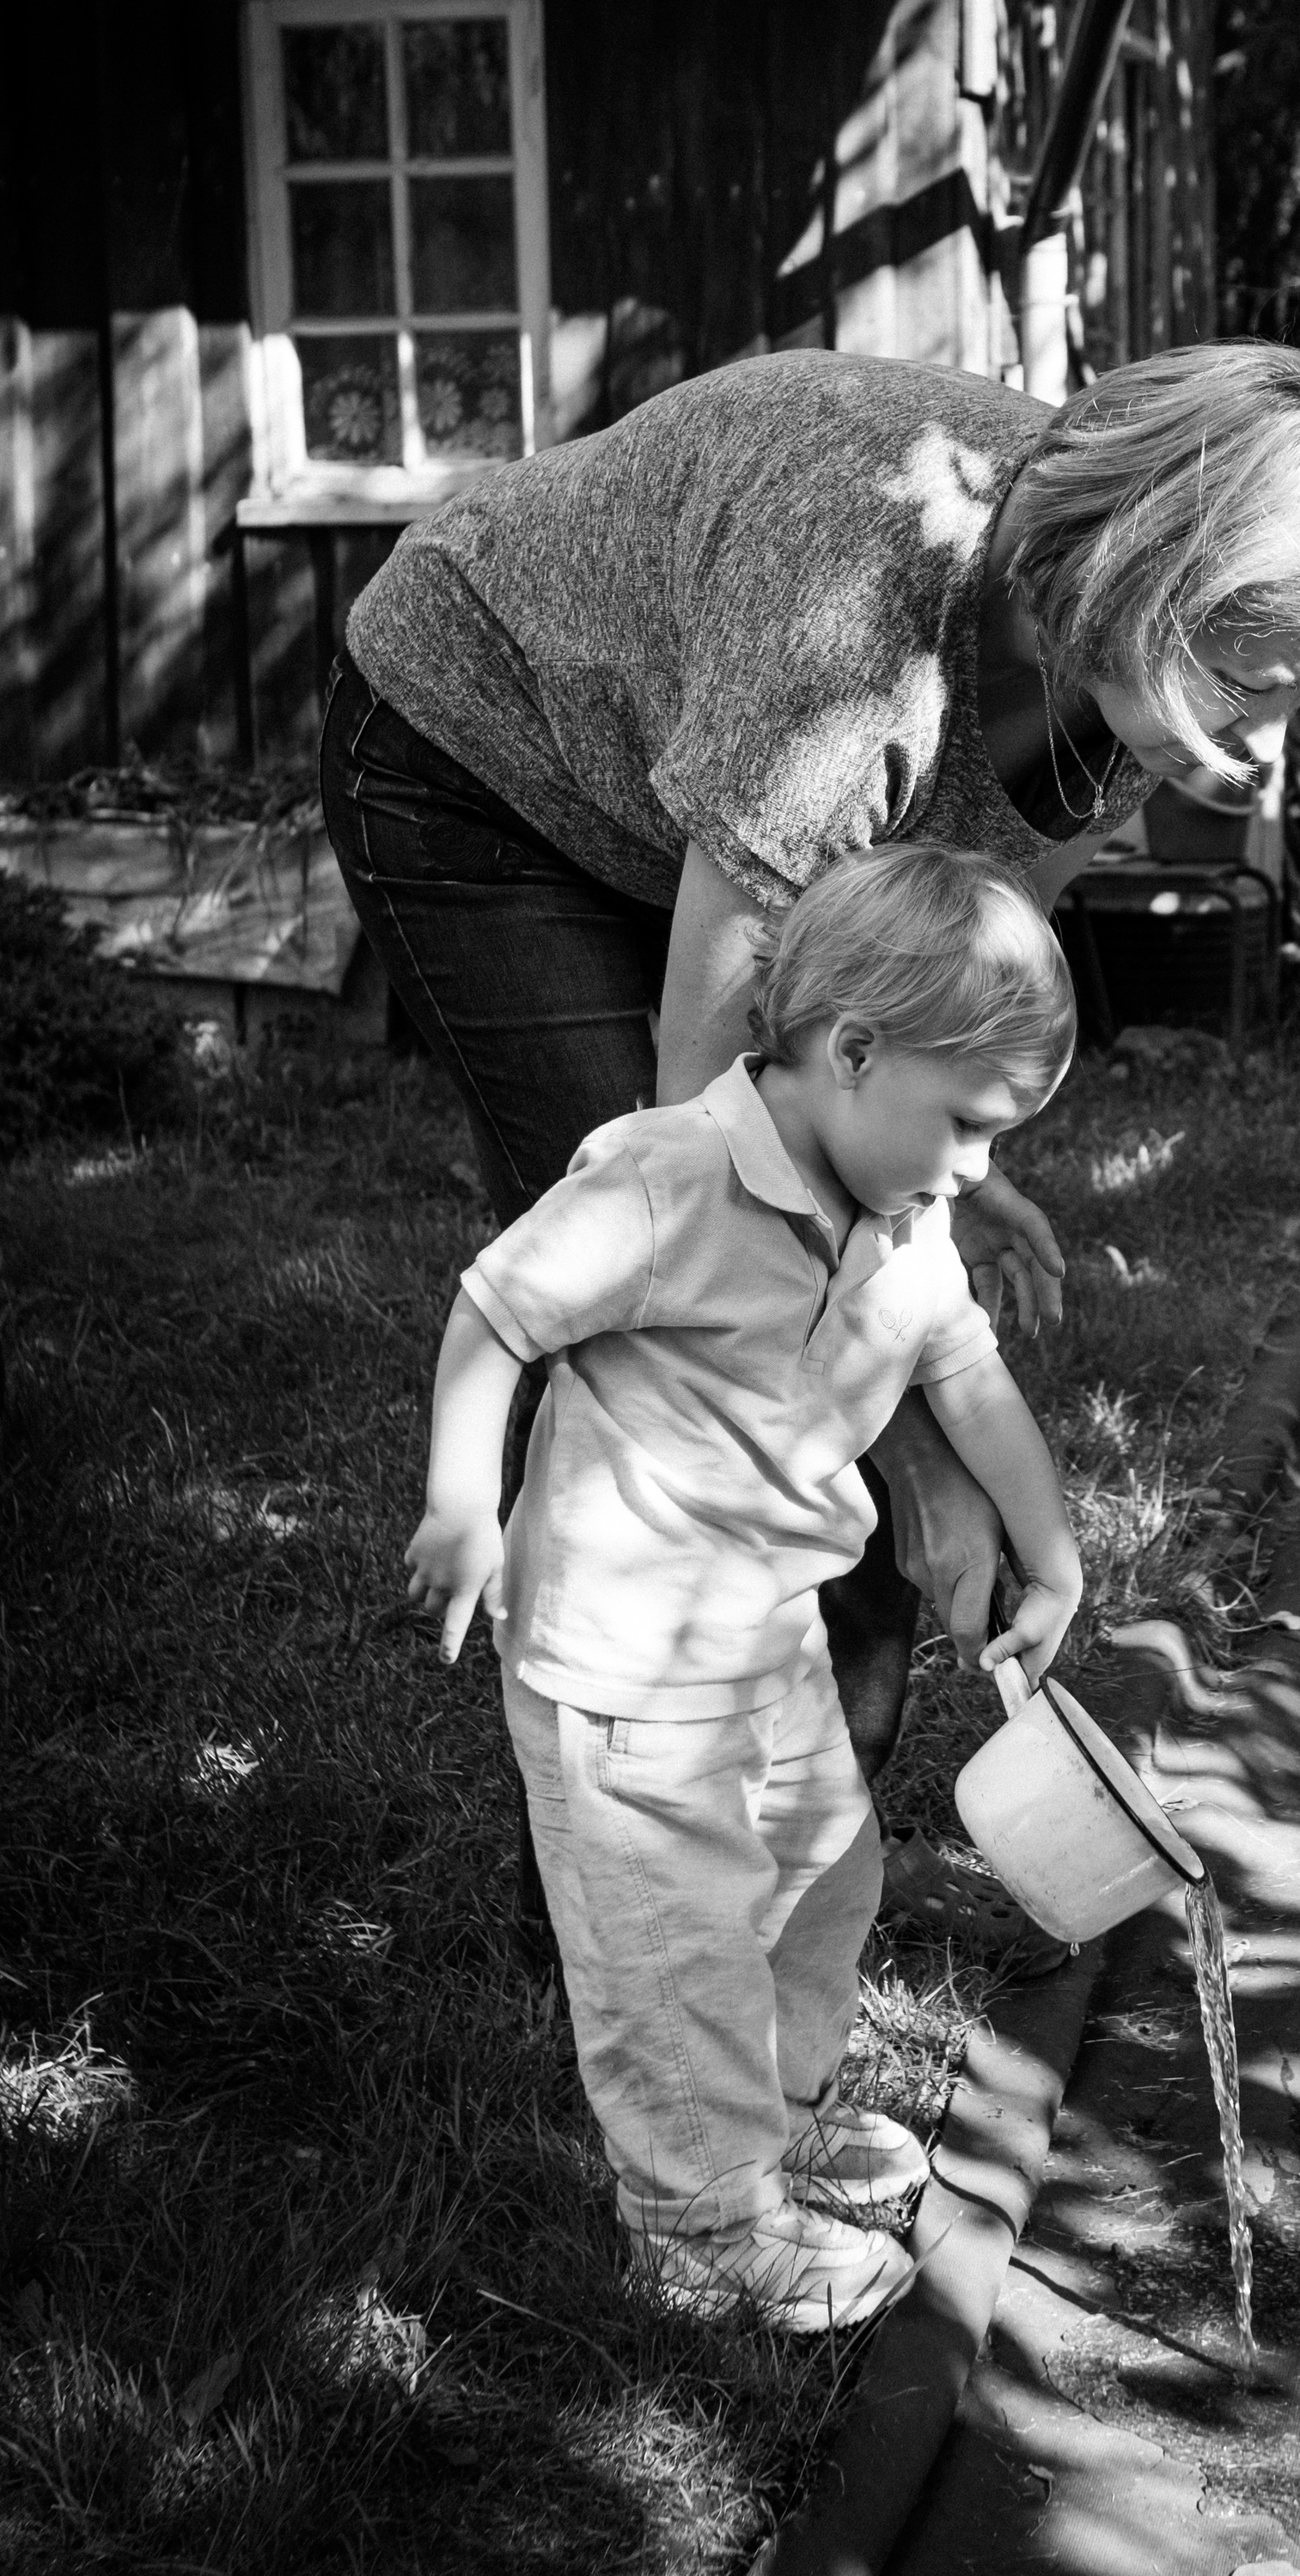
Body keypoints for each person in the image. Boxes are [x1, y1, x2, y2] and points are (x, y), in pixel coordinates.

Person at [323, 341, 1300, 1926]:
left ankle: (799, 1855)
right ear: (1139, 581)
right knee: (678, 1306)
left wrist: (952, 1170)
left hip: (708, 792)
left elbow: (961, 955)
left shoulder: (1120, 686)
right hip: (482, 759)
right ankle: (626, 1899)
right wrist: (911, 1446)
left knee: (839, 1310)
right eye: (1252, 685)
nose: (1267, 748)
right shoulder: (857, 609)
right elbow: (714, 1150)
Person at [402, 848, 1085, 2329]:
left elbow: (968, 1378)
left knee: (824, 1880)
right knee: (678, 1954)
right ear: (853, 1052)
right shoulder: (668, 1179)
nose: (979, 1170)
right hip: (626, 1666)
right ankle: (699, 2226)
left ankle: (769, 2121)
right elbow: (496, 1312)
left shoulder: (901, 1215)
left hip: (766, 1637)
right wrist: (463, 1500)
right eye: (970, 1125)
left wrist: (1053, 1551)